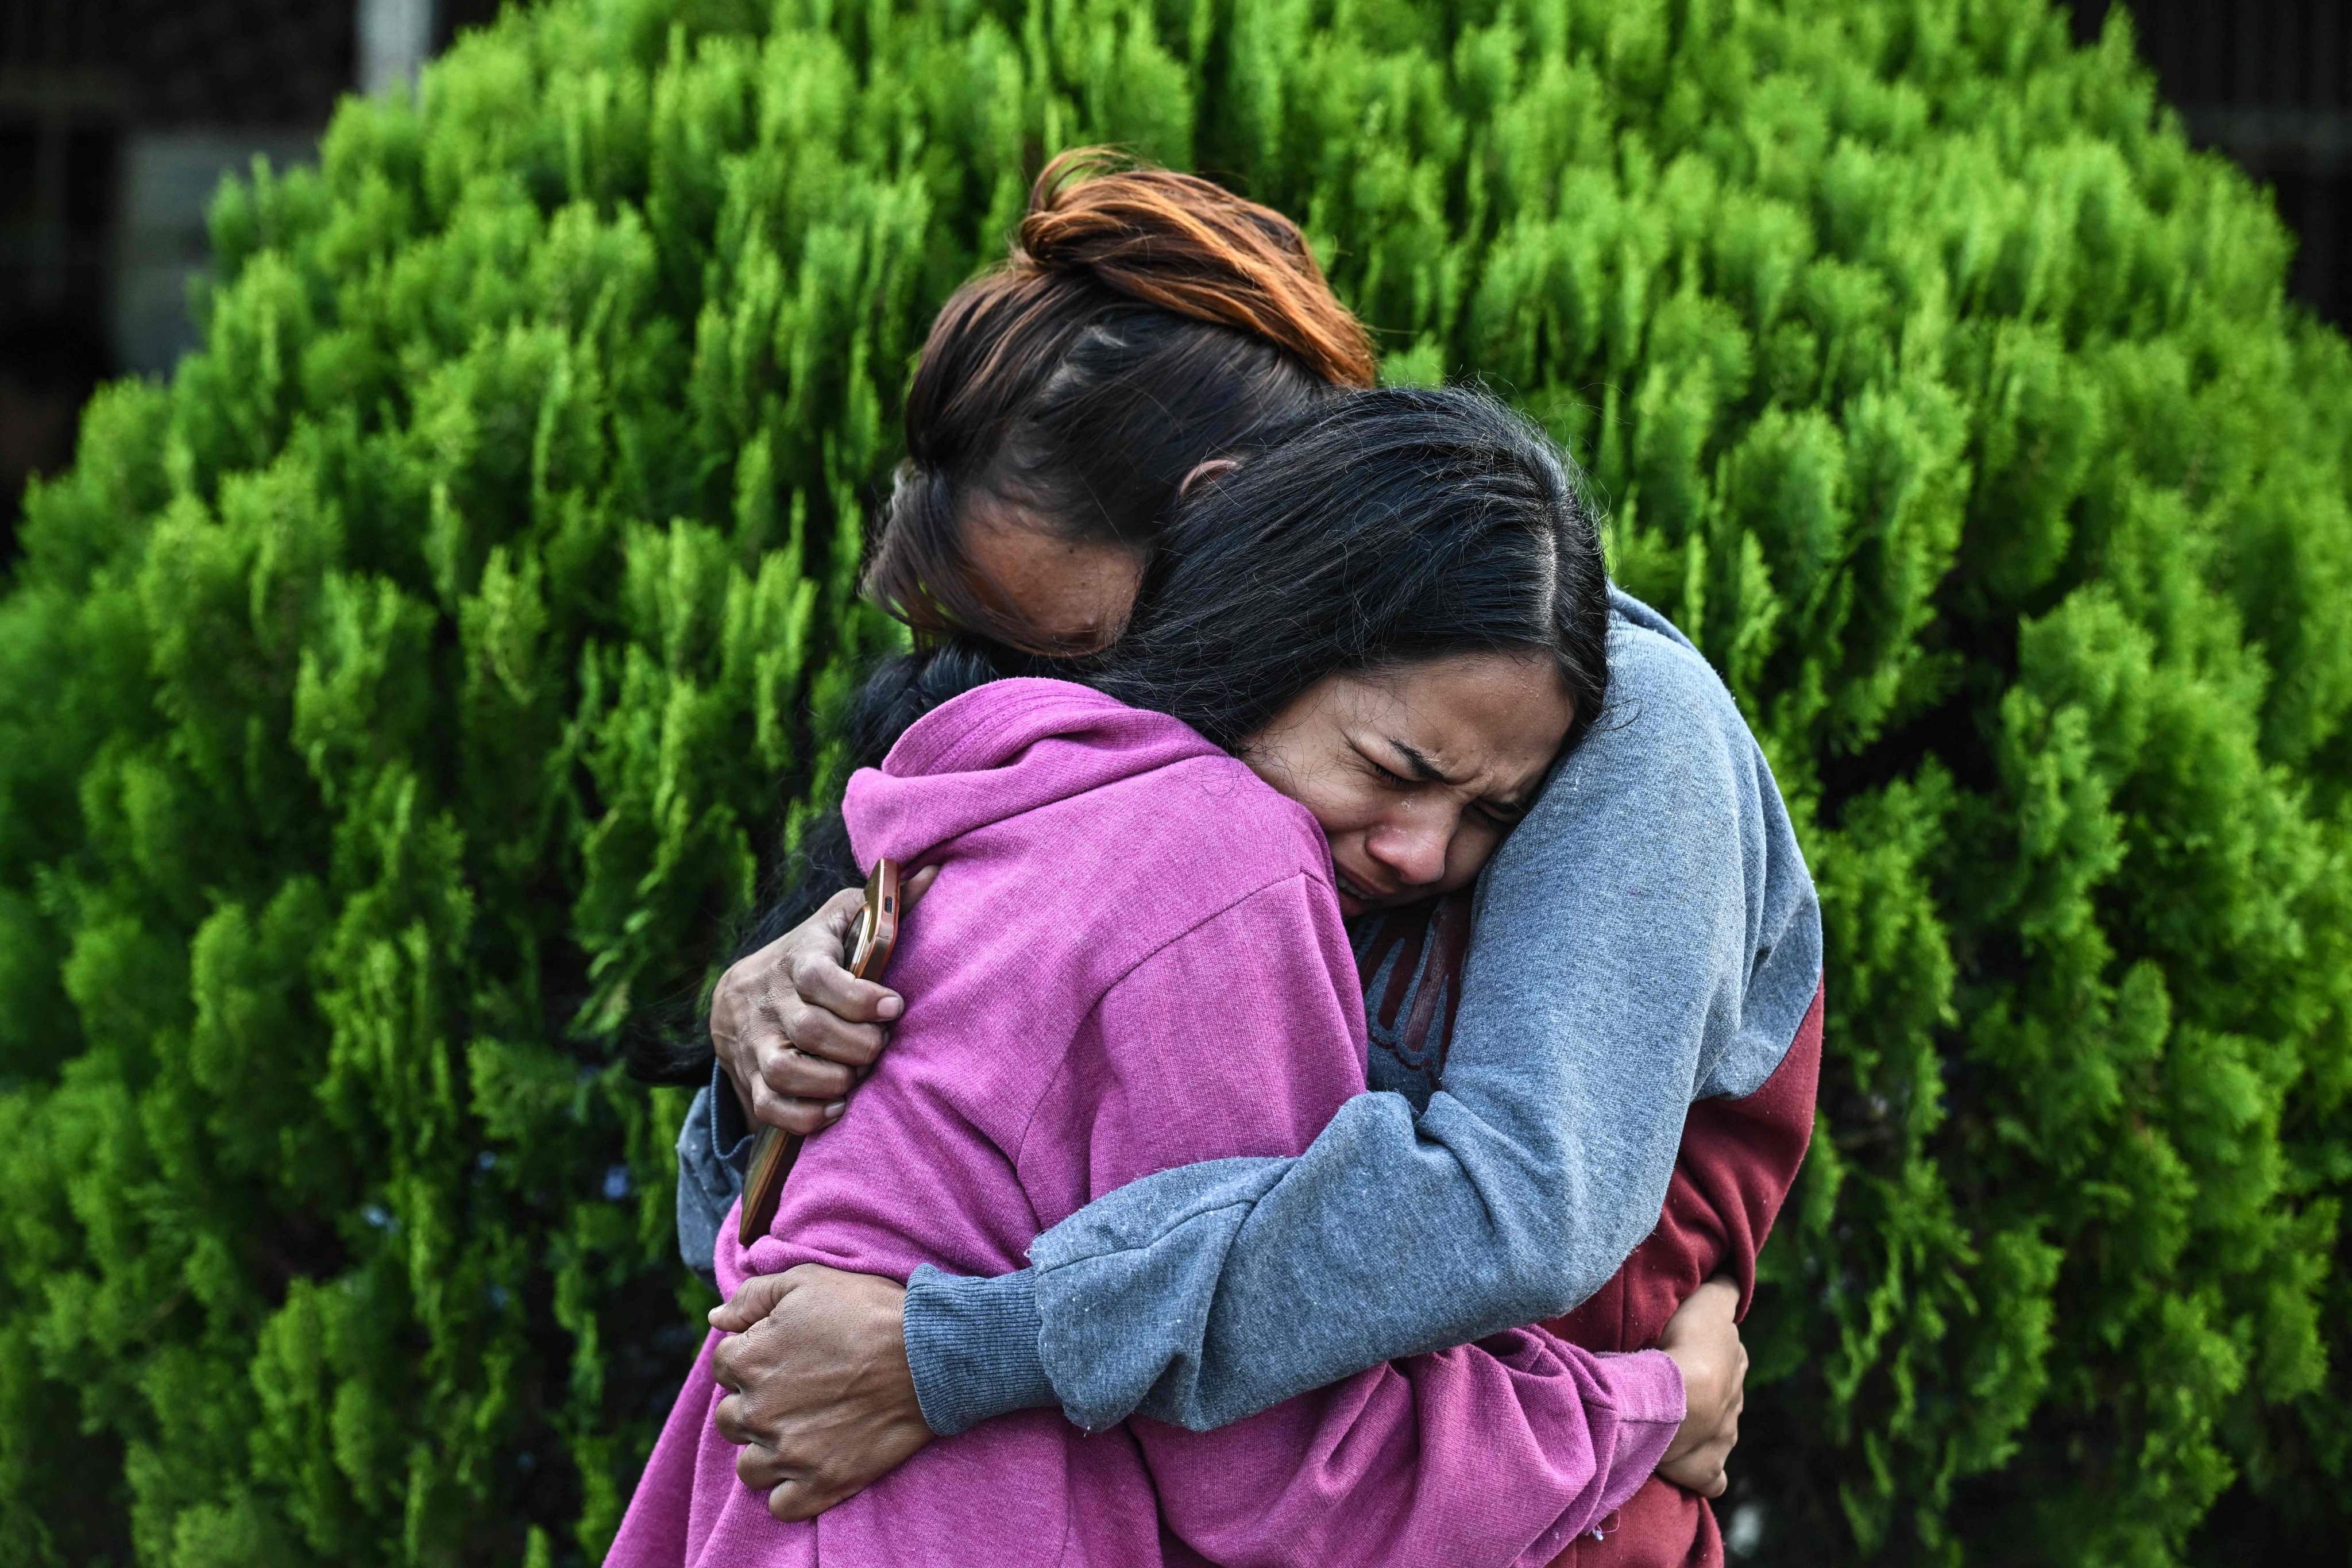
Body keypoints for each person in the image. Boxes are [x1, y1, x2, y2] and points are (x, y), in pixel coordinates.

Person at [649, 153, 1822, 1566]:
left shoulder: (1603, 721)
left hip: (1516, 1514)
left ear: (1234, 532)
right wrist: (759, 1049)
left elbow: (1517, 1209)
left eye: (1088, 652)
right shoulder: (1192, 814)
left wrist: (958, 1348)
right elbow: (792, 1281)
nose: (1095, 716)